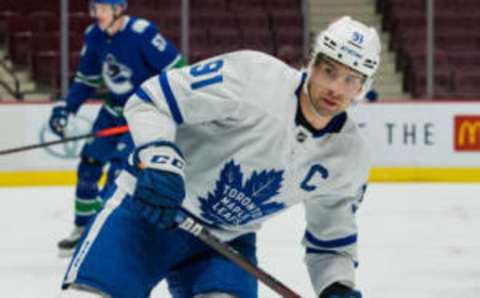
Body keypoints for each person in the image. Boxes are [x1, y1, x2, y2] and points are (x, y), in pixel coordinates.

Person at [60, 16, 380, 298]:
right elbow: (150, 99)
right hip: (149, 213)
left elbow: (331, 243)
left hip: (223, 244)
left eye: (350, 79)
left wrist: (337, 287)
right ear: (312, 63)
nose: (335, 88)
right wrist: (159, 159)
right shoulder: (253, 76)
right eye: (329, 71)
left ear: (363, 87)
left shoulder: (348, 157)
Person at [48, 0, 186, 256]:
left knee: (119, 172)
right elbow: (85, 79)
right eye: (94, 8)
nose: (95, 14)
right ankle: (82, 229)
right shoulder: (95, 36)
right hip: (112, 112)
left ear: (118, 9)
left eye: (101, 8)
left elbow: (177, 70)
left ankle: (107, 232)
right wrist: (65, 108)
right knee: (89, 163)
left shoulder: (142, 33)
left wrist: (172, 107)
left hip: (142, 116)